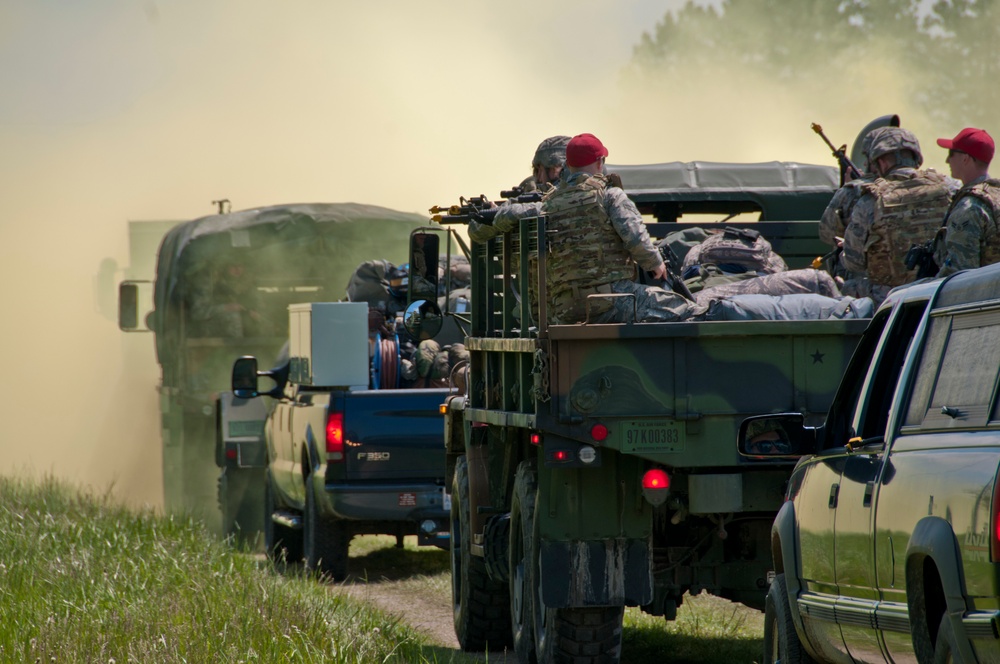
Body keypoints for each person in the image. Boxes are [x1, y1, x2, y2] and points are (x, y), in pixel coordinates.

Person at [536, 133, 698, 324]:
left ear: (568, 165)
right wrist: (656, 264)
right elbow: (637, 240)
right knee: (689, 310)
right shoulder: (610, 196)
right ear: (600, 162)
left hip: (564, 310)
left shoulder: (548, 205)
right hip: (612, 302)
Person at [841, 127, 957, 303]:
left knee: (847, 285)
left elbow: (853, 261)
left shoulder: (870, 199)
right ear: (916, 157)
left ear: (882, 162)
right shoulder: (949, 188)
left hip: (891, 298)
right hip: (941, 291)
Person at [468, 135, 570, 244]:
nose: (539, 178)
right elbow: (475, 230)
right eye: (537, 170)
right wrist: (497, 216)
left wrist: (511, 214)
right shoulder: (532, 197)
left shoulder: (582, 195)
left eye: (559, 168)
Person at [934, 127, 1000, 276]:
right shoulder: (995, 195)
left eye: (951, 154)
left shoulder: (968, 208)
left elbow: (959, 275)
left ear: (965, 159)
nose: (947, 160)